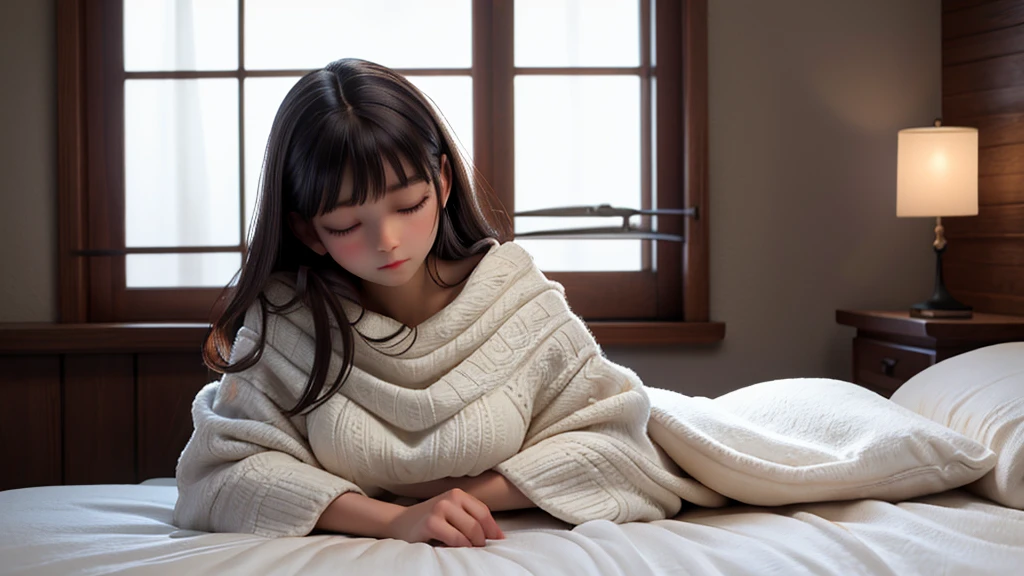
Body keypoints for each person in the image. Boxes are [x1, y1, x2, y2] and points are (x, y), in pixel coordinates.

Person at [174, 58, 721, 549]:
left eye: (408, 204)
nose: (385, 240)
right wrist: (391, 519)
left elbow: (624, 449)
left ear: (441, 181)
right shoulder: (286, 320)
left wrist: (465, 495)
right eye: (346, 224)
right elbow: (216, 477)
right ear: (308, 230)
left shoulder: (513, 297)